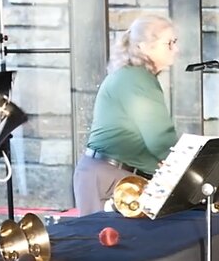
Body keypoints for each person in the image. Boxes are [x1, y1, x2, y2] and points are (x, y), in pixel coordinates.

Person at [73, 14, 179, 216]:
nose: (176, 49)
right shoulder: (136, 79)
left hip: (114, 175)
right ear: (144, 47)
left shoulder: (137, 76)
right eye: (169, 43)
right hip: (109, 179)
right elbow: (161, 140)